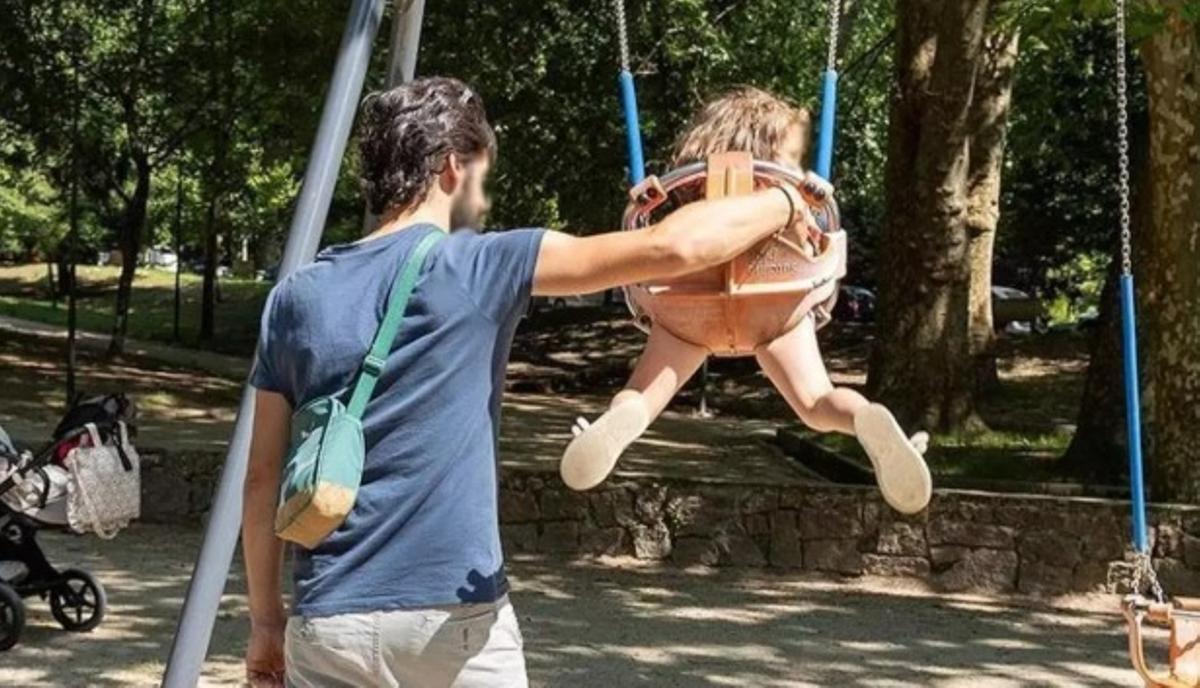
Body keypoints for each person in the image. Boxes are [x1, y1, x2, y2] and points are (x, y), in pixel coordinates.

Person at [241, 76, 821, 688]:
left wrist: (265, 622)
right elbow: (675, 249)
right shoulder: (482, 263)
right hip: (453, 622)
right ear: (449, 169)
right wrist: (786, 201)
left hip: (329, 620)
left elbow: (261, 480)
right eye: (482, 178)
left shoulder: (293, 298)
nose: (482, 201)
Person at [558, 86, 932, 515]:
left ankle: (618, 420)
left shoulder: (692, 193)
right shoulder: (789, 197)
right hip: (775, 306)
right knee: (815, 403)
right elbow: (823, 239)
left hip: (688, 305)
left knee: (641, 396)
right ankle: (864, 420)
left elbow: (648, 233)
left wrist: (644, 202)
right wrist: (813, 203)